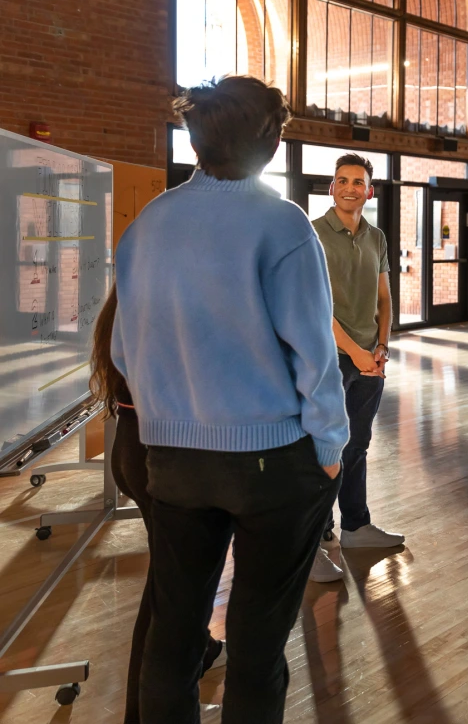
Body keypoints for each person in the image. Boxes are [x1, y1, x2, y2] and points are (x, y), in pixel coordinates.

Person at [111, 75, 349, 723]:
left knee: (173, 639)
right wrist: (330, 448)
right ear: (271, 140)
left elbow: (123, 354)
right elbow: (314, 356)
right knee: (255, 649)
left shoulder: (148, 224)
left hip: (173, 463)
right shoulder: (283, 223)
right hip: (272, 463)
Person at [89, 285, 227, 724]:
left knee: (170, 581)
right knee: (166, 595)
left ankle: (201, 650)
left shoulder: (132, 296)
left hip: (130, 448)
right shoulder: (169, 302)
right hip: (158, 457)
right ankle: (143, 713)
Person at [308, 153, 403, 584]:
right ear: (332, 187)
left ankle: (355, 526)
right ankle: (316, 533)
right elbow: (315, 307)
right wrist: (356, 352)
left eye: (358, 181)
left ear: (369, 190)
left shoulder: (377, 237)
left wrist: (381, 346)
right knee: (323, 448)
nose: (350, 187)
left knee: (358, 444)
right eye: (342, 180)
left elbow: (384, 298)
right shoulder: (311, 235)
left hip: (370, 356)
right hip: (328, 357)